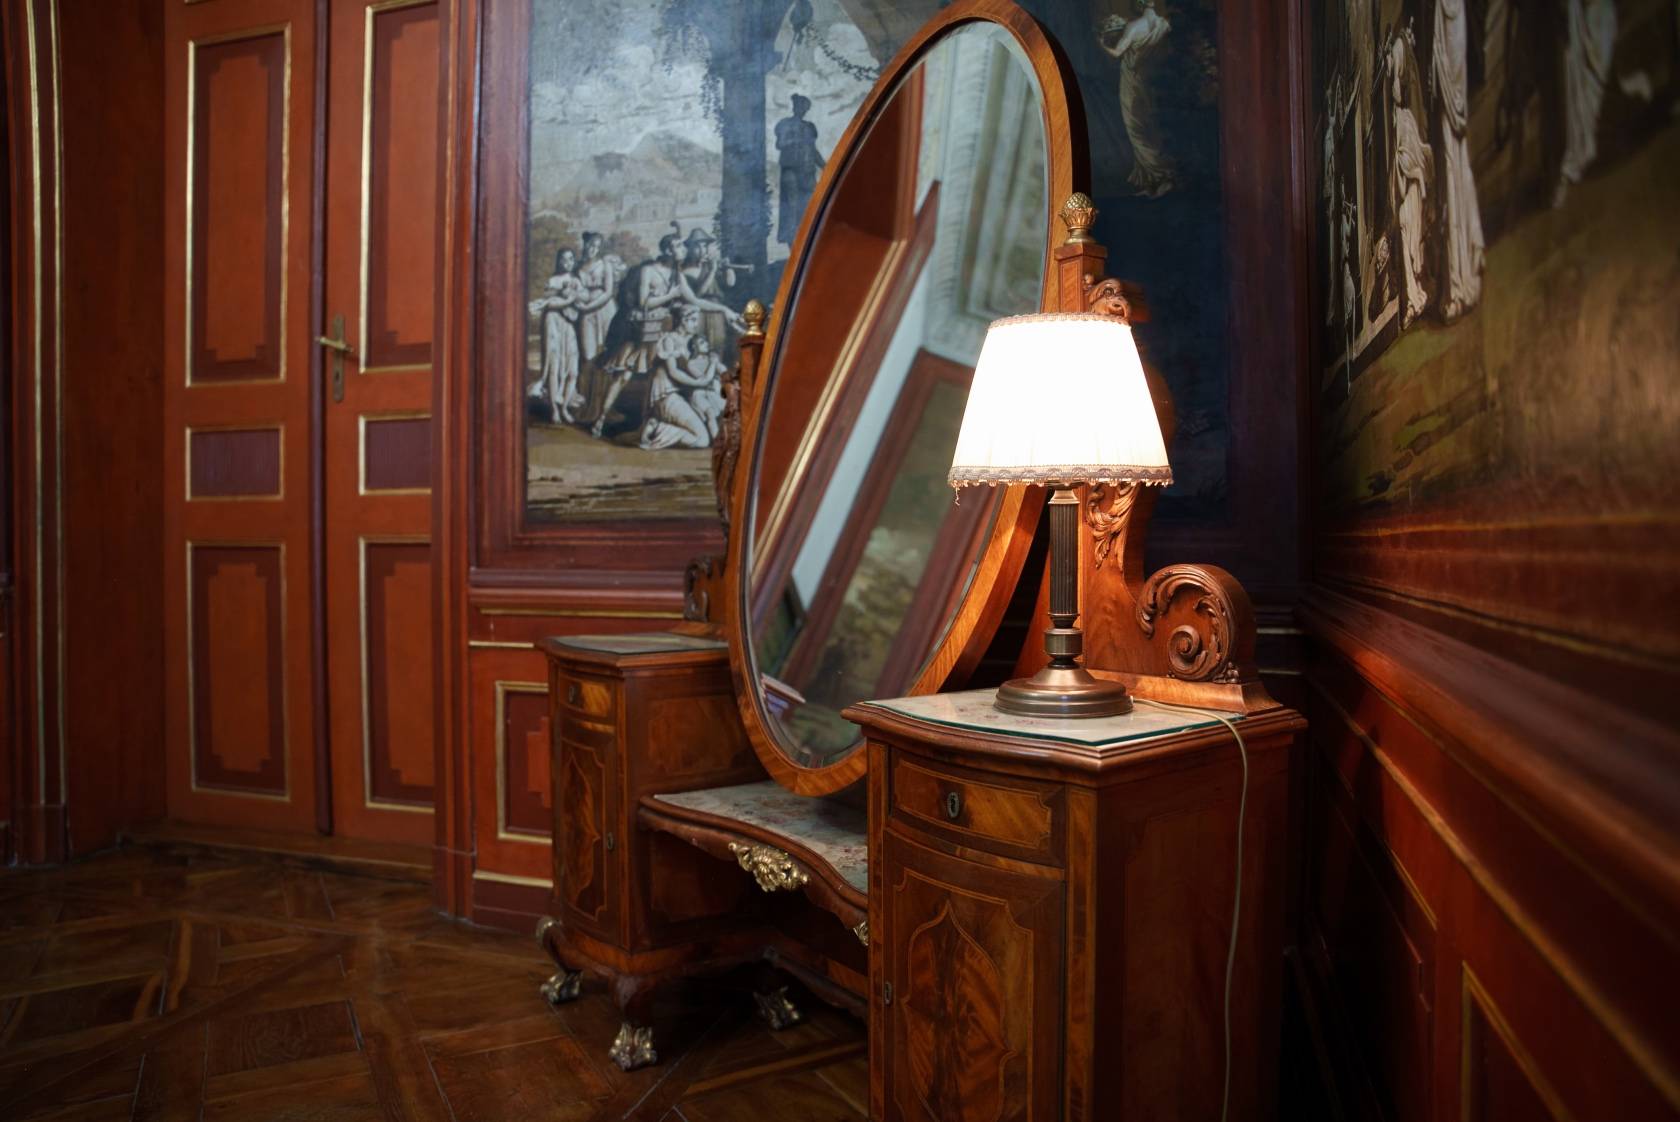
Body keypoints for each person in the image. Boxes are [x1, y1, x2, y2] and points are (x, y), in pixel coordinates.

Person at [1431, 0, 1485, 320]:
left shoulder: (1450, 12)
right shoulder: (1450, 11)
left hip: (1451, 123)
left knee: (1453, 169)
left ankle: (1458, 278)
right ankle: (1458, 272)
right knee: (1452, 170)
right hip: (1451, 119)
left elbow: (1449, 67)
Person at [1097, 2, 1176, 198]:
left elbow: (1117, 53)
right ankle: (1152, 181)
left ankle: (1161, 173)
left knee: (1135, 128)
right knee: (1149, 125)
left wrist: (1101, 43)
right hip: (1149, 79)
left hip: (1131, 81)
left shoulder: (1133, 27)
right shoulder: (1163, 24)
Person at [1555, 0, 1618, 207]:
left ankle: (1584, 140)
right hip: (1572, 20)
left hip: (1589, 16)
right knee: (1576, 82)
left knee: (1591, 73)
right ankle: (1581, 143)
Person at [1389, 35, 1432, 329]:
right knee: (1406, 238)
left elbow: (1413, 154)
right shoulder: (1396, 121)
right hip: (1407, 191)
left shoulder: (1405, 120)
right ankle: (1414, 299)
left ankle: (1416, 294)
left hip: (1412, 190)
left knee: (1412, 241)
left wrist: (1409, 168)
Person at [639, 308, 717, 450]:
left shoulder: (691, 342)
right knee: (702, 440)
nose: (696, 324)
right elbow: (673, 372)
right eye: (693, 320)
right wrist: (698, 383)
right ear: (683, 320)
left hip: (679, 394)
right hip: (667, 393)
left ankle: (657, 425)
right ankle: (657, 428)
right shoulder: (669, 339)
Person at [527, 249, 582, 424]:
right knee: (554, 366)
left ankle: (564, 406)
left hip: (568, 323)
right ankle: (554, 409)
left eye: (571, 259)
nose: (568, 262)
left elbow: (579, 305)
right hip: (553, 323)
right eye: (564, 259)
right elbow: (549, 304)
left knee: (573, 371)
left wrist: (570, 300)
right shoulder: (553, 281)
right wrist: (565, 299)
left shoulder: (576, 281)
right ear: (559, 262)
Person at [775, 95, 824, 246]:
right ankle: (793, 244)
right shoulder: (785, 124)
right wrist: (796, 139)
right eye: (800, 106)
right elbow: (780, 144)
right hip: (791, 172)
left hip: (808, 173)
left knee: (810, 207)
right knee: (792, 208)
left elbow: (813, 150)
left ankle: (808, 241)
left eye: (805, 107)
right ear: (794, 107)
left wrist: (825, 166)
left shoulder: (809, 127)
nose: (802, 110)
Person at [573, 232, 620, 365]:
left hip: (606, 309)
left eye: (596, 247)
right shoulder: (577, 267)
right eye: (590, 245)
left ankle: (605, 377)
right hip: (586, 312)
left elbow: (608, 292)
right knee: (588, 352)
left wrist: (589, 306)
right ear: (585, 244)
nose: (592, 249)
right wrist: (581, 305)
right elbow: (574, 290)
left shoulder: (605, 265)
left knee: (609, 348)